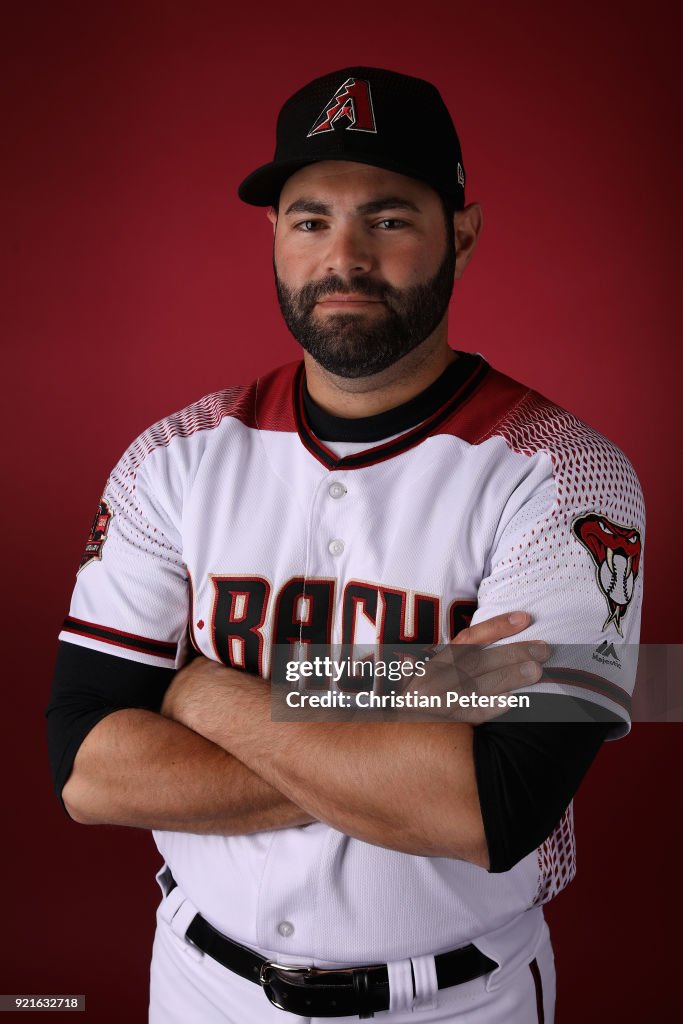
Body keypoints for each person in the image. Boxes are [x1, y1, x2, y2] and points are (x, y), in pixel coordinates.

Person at [46, 67, 645, 1023]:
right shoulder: (172, 459)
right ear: (274, 238)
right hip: (203, 984)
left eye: (390, 217)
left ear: (463, 232)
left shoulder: (567, 475)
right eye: (310, 218)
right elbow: (87, 767)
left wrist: (199, 688)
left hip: (460, 999)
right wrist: (420, 697)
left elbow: (491, 809)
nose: (345, 255)